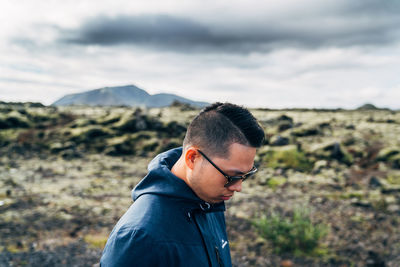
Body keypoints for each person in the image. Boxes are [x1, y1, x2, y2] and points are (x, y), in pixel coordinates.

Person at [100, 102, 265, 267]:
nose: (238, 187)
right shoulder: (140, 237)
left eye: (246, 175)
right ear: (192, 158)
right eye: (231, 176)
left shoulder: (209, 204)